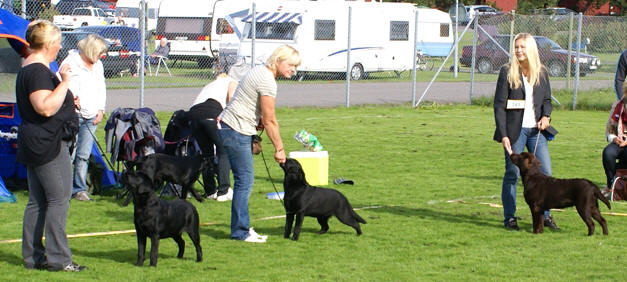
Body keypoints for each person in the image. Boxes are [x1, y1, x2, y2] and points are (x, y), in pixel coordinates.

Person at [16, 20, 86, 272]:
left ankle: (33, 257)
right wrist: (65, 83)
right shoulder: (36, 70)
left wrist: (66, 100)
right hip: (47, 142)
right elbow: (44, 107)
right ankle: (59, 260)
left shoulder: (32, 66)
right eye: (57, 42)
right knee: (59, 199)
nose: (59, 46)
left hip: (38, 140)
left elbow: (49, 101)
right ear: (47, 44)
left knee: (38, 200)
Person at [218, 45, 301, 243]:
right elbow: (270, 119)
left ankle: (242, 228)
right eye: (291, 65)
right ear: (279, 61)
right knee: (244, 181)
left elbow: (260, 113)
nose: (293, 70)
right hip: (236, 129)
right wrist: (279, 149)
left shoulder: (260, 71)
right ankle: (240, 231)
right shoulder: (267, 80)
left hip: (233, 127)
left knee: (243, 180)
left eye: (296, 67)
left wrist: (259, 120)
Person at [493, 33, 559, 231]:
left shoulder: (542, 72)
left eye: (522, 47)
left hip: (536, 132)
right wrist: (504, 135)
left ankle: (545, 217)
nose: (519, 50)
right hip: (515, 132)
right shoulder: (507, 72)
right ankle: (510, 218)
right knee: (512, 173)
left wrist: (546, 117)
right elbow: (499, 106)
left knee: (545, 172)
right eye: (516, 47)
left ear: (530, 49)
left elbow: (547, 101)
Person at [60, 34, 108, 202]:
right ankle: (64, 189)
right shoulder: (70, 63)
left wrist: (101, 110)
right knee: (69, 154)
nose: (102, 56)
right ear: (91, 50)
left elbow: (101, 87)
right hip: (74, 116)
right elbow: (61, 84)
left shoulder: (99, 66)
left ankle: (80, 189)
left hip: (92, 115)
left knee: (84, 154)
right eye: (100, 52)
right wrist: (71, 98)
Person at [187, 73, 238, 201]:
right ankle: (224, 191)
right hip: (211, 112)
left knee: (207, 154)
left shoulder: (210, 85)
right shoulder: (231, 82)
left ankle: (210, 191)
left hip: (193, 115)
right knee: (223, 151)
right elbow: (232, 100)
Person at [602, 83, 627, 189]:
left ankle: (621, 183)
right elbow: (609, 129)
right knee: (608, 153)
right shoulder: (618, 105)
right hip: (618, 140)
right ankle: (611, 184)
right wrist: (614, 138)